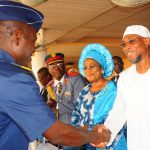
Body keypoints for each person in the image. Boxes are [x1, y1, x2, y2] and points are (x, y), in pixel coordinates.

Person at [0, 1, 110, 150]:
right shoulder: (13, 78)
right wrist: (97, 136)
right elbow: (58, 134)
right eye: (33, 41)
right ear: (17, 38)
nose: (33, 50)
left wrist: (86, 130)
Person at [96, 25, 150, 150]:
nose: (127, 47)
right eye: (123, 44)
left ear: (147, 41)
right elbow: (119, 112)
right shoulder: (125, 78)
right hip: (137, 144)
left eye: (132, 41)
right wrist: (106, 134)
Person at [70, 43, 127, 150]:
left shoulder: (112, 89)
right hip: (87, 142)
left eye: (92, 67)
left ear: (102, 68)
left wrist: (88, 128)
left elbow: (115, 118)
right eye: (85, 68)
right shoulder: (85, 90)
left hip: (110, 143)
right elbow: (75, 115)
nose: (88, 71)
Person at [45, 53, 88, 149]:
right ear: (47, 68)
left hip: (75, 130)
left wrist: (57, 105)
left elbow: (81, 106)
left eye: (60, 64)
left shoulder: (76, 79)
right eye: (53, 65)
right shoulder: (49, 87)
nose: (57, 68)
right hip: (59, 133)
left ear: (64, 65)